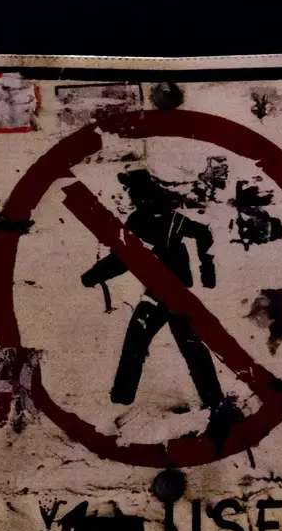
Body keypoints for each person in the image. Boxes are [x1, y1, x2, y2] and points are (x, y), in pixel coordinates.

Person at [80, 170, 224, 410]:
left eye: (134, 194)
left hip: (170, 293)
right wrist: (206, 270)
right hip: (168, 292)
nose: (133, 198)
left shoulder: (148, 221)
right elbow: (126, 256)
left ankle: (123, 397)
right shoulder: (161, 219)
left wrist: (93, 276)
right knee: (185, 345)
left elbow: (123, 258)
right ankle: (212, 398)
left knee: (142, 340)